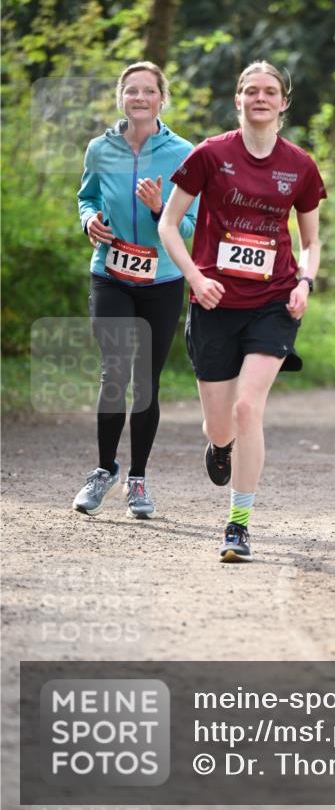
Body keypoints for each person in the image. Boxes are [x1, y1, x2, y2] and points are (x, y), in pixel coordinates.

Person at [158, 60, 326, 563]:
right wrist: (195, 278)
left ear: (283, 102)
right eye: (251, 90)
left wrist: (305, 282)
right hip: (214, 301)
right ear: (238, 99)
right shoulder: (210, 154)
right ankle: (220, 445)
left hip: (274, 301)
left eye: (269, 91)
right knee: (220, 425)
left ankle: (238, 525)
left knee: (248, 408)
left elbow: (311, 242)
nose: (260, 98)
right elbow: (169, 224)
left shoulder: (300, 165)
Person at [73, 62, 197, 519]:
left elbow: (191, 223)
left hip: (162, 279)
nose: (139, 98)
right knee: (114, 373)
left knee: (146, 381)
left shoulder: (184, 153)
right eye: (131, 90)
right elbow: (86, 197)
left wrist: (161, 208)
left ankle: (138, 479)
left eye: (148, 91)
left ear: (162, 98)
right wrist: (90, 219)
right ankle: (104, 469)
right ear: (120, 97)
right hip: (110, 274)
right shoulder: (99, 149)